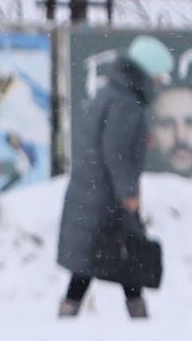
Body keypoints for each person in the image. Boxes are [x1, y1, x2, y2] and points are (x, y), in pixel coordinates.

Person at [60, 37, 168, 320]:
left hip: (95, 191)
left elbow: (110, 142)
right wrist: (128, 192)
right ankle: (138, 316)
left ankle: (69, 312)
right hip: (107, 196)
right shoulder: (126, 102)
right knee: (123, 250)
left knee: (101, 255)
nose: (159, 83)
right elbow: (116, 151)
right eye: (158, 76)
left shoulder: (113, 93)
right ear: (145, 72)